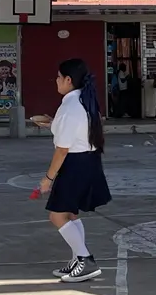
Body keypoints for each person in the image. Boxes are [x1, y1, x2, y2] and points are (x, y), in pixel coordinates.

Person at [32, 59, 111, 283]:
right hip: (87, 162)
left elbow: (62, 150)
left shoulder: (70, 106)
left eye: (58, 77)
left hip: (75, 165)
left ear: (68, 80)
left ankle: (86, 259)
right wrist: (53, 123)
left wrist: (48, 178)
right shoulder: (82, 101)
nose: (56, 81)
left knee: (57, 214)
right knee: (70, 213)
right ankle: (79, 258)